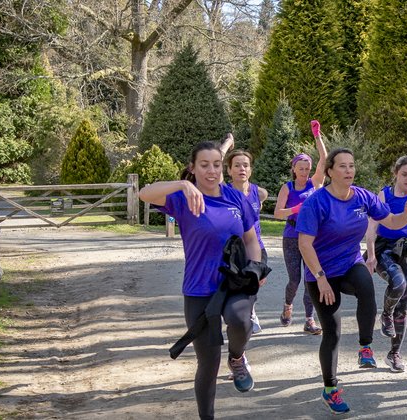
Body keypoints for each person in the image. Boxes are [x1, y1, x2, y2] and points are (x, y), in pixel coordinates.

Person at [139, 141, 263, 420]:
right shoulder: (183, 199)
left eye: (217, 165)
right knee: (208, 364)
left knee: (240, 319)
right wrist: (182, 185)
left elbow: (251, 239)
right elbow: (144, 193)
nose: (212, 171)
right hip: (198, 288)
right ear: (193, 168)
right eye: (204, 165)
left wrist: (255, 268)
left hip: (235, 283)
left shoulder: (235, 198)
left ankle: (237, 358)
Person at [297, 148, 407, 414]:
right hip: (320, 273)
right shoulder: (316, 202)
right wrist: (320, 279)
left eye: (351, 165)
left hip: (349, 264)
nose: (349, 171)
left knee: (367, 287)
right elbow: (304, 244)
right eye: (342, 166)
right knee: (332, 332)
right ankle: (330, 389)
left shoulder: (362, 197)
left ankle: (365, 348)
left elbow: (391, 220)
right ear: (329, 171)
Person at [365, 120, 407, 372]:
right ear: (396, 174)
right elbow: (372, 226)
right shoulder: (384, 194)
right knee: (399, 284)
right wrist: (371, 254)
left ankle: (394, 354)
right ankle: (385, 314)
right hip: (386, 248)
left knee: (405, 305)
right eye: (404, 174)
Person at [274, 120, 328, 334]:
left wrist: (317, 136)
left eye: (307, 168)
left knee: (311, 278)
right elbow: (278, 213)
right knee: (295, 280)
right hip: (291, 237)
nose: (305, 172)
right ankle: (288, 306)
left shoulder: (315, 183)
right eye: (301, 168)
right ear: (294, 169)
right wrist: (296, 209)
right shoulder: (287, 188)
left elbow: (324, 159)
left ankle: (309, 320)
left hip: (312, 238)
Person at [226, 149, 269, 334]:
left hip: (256, 245)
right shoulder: (223, 192)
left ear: (250, 170)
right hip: (233, 249)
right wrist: (227, 143)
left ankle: (250, 312)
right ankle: (233, 317)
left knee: (254, 282)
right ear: (229, 170)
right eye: (236, 165)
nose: (241, 169)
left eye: (245, 165)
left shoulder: (259, 193)